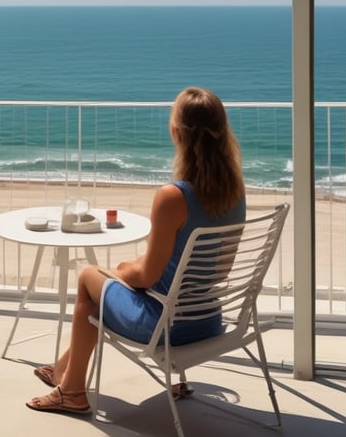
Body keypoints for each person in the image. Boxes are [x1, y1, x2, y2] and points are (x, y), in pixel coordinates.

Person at [26, 86, 246, 415]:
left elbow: (147, 275)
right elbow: (219, 271)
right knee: (106, 287)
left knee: (89, 277)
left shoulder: (174, 196)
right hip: (208, 321)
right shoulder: (236, 193)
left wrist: (121, 271)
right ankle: (62, 372)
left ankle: (72, 391)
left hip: (167, 327)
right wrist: (128, 273)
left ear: (176, 133)